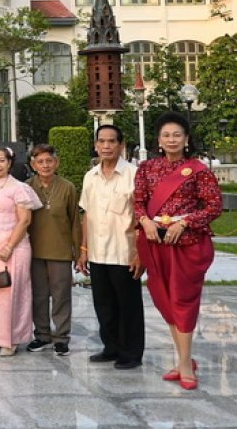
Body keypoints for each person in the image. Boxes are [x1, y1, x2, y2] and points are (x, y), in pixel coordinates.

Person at [134, 113, 222, 390]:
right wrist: (145, 220)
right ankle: (184, 358)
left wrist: (185, 223)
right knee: (166, 302)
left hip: (187, 247)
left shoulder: (199, 170)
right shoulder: (146, 169)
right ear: (158, 140)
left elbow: (213, 206)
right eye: (166, 135)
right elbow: (138, 202)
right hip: (154, 244)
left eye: (177, 135)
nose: (171, 139)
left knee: (183, 302)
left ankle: (185, 365)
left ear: (186, 140)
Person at [78, 124, 144, 370]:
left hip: (124, 251)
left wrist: (139, 252)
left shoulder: (133, 175)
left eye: (111, 141)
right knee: (103, 304)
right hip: (97, 251)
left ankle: (131, 352)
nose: (106, 146)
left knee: (129, 305)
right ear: (96, 145)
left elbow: (141, 216)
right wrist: (83, 249)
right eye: (101, 141)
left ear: (121, 145)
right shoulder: (90, 177)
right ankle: (111, 347)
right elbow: (86, 214)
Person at [0, 146, 43, 357]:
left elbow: (25, 220)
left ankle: (12, 339)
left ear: (9, 163)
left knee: (13, 294)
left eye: (1, 160)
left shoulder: (19, 188)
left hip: (14, 247)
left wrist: (9, 246)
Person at [25, 144, 80, 357]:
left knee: (61, 296)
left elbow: (75, 220)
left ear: (56, 163)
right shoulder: (27, 187)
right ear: (33, 165)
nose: (45, 165)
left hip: (60, 250)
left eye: (49, 160)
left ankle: (62, 337)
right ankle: (42, 335)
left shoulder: (67, 187)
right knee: (38, 296)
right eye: (40, 161)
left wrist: (78, 251)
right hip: (34, 251)